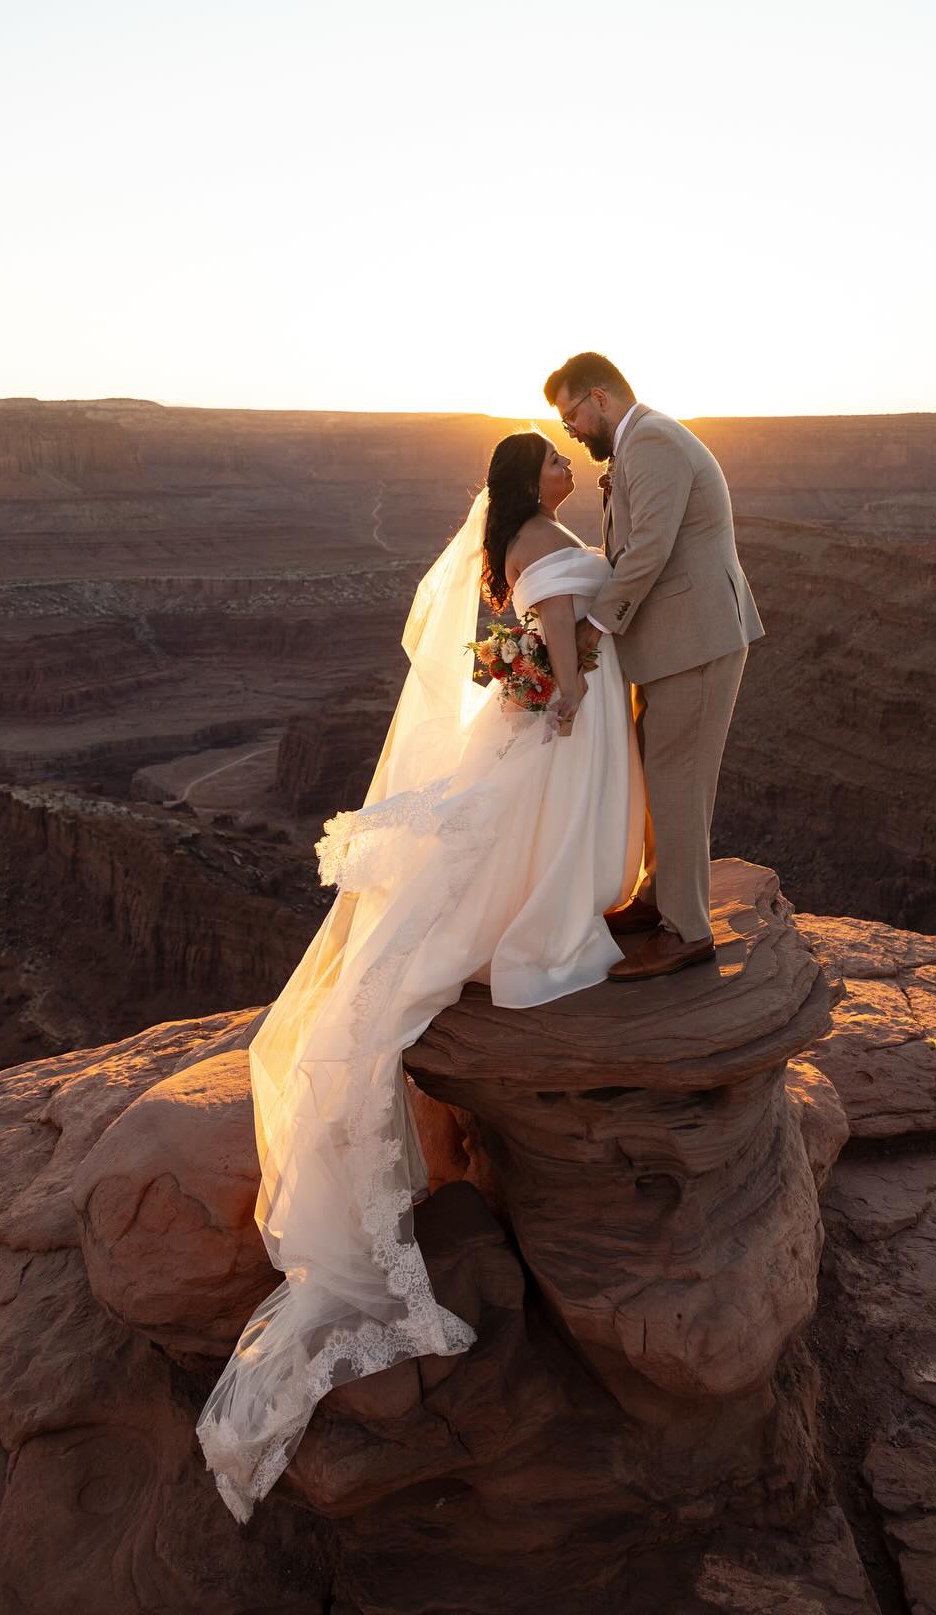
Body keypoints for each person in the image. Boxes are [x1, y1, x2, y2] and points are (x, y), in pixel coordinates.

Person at [196, 429, 644, 1524]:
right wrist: (571, 701)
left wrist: (544, 676)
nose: (567, 474)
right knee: (513, 877)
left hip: (528, 714)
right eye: (554, 463)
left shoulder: (506, 535)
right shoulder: (540, 534)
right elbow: (548, 639)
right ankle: (536, 935)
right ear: (533, 480)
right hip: (555, 722)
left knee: (479, 865)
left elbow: (509, 633)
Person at [544, 353, 763, 980]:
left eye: (571, 418)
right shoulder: (637, 445)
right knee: (657, 772)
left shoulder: (654, 442)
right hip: (672, 644)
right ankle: (655, 899)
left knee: (679, 783)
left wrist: (590, 627)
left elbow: (647, 552)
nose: (572, 433)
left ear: (599, 397)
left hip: (694, 642)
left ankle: (688, 930)